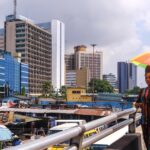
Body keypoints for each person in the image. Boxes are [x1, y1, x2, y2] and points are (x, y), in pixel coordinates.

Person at [136, 65, 150, 149]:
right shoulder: (143, 91)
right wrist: (140, 104)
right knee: (146, 141)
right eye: (146, 78)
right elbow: (137, 103)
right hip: (144, 120)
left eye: (149, 77)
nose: (147, 79)